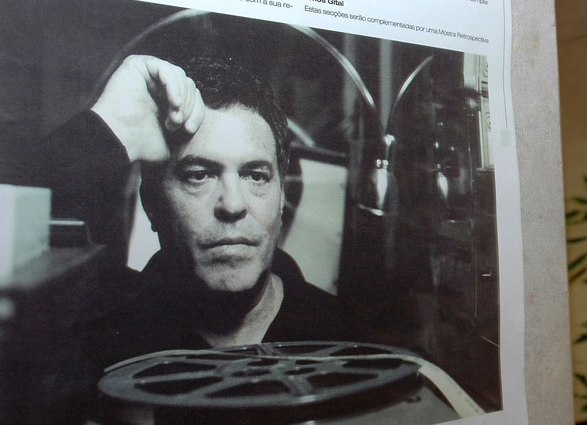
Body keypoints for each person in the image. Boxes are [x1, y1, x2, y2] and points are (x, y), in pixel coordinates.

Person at [42, 54, 372, 371]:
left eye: (256, 176)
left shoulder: (353, 340)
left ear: (281, 197)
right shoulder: (97, 346)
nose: (232, 205)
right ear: (151, 202)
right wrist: (106, 129)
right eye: (199, 175)